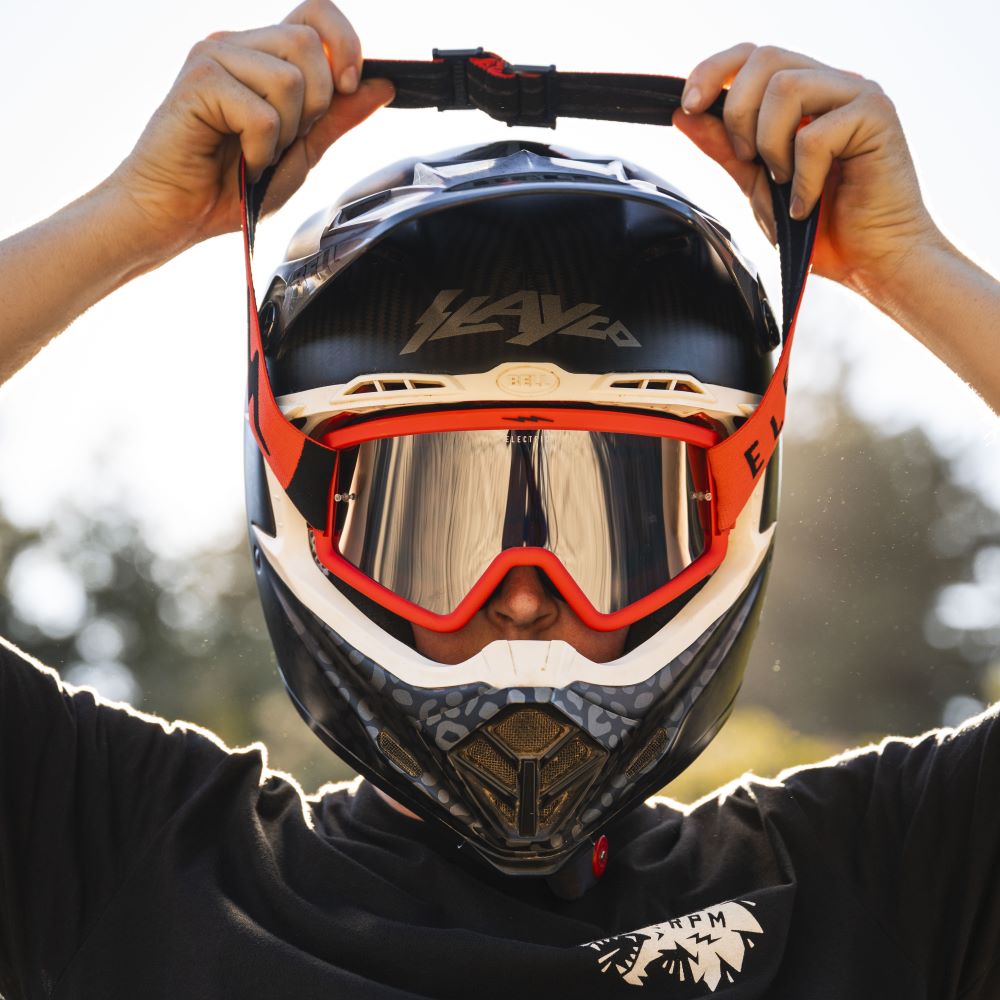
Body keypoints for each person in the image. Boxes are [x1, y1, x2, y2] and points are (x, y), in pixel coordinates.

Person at [1, 1, 998, 996]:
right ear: (306, 515)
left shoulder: (865, 877)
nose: (524, 595)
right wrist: (132, 213)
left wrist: (905, 262)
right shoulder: (147, 855)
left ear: (723, 523)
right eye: (436, 525)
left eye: (614, 526)